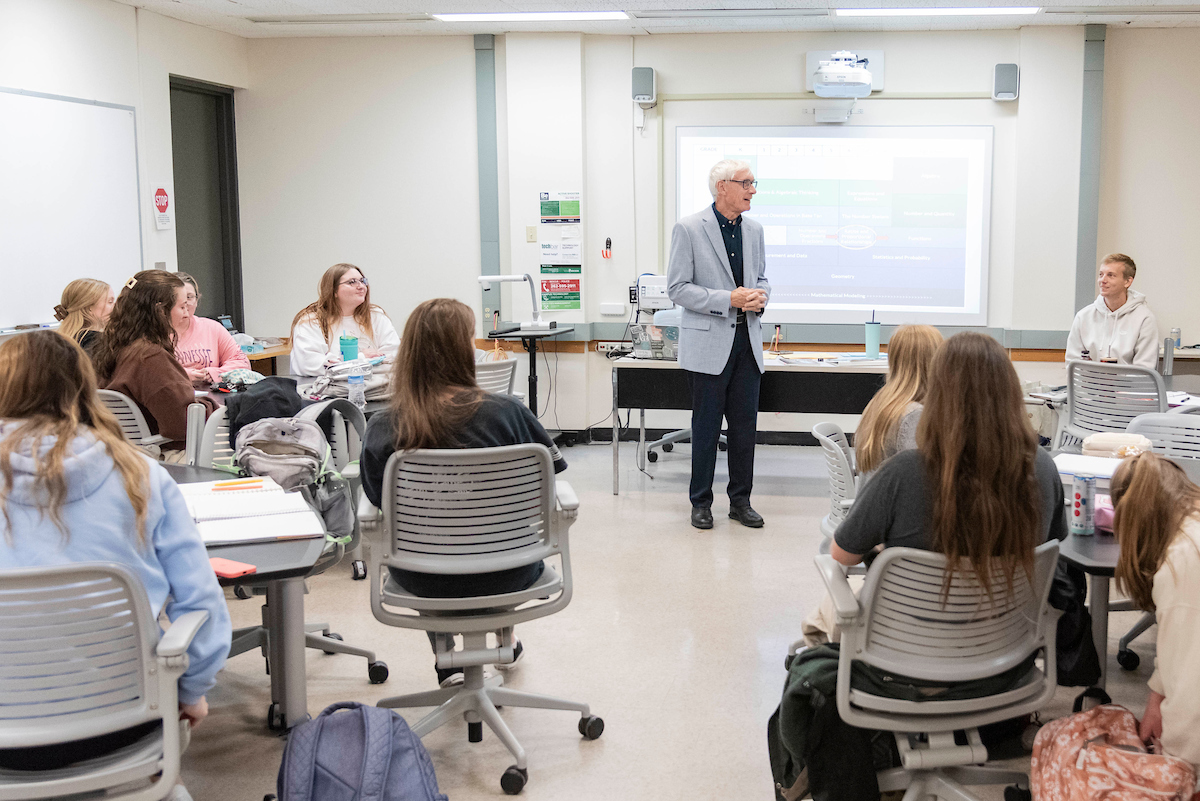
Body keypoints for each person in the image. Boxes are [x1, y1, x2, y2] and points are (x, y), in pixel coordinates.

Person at [0, 331, 231, 779]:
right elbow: (201, 605)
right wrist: (192, 690)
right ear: (82, 388)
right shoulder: (139, 474)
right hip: (128, 722)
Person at [360, 298, 565, 686]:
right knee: (487, 539)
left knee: (429, 542)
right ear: (463, 351)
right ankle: (505, 633)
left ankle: (446, 657)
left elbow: (375, 500)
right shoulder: (510, 413)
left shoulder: (384, 425)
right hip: (512, 570)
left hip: (423, 579)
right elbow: (549, 481)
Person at [833, 332, 1065, 570]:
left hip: (912, 606)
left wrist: (883, 549)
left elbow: (843, 554)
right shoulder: (1042, 466)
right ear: (1012, 391)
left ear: (936, 394)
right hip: (1017, 606)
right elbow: (1057, 546)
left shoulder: (903, 472)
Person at [667, 159, 770, 530]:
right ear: (722, 186)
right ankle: (701, 503)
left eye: (753, 183)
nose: (752, 190)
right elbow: (677, 288)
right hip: (709, 346)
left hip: (748, 343)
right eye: (746, 183)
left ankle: (740, 502)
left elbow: (762, 279)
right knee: (706, 429)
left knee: (745, 430)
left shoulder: (755, 230)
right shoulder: (690, 228)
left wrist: (760, 296)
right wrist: (727, 298)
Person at [1110, 452, 1200, 776]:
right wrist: (1155, 701)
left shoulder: (1182, 566)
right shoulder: (1191, 527)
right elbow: (1176, 644)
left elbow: (1192, 689)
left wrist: (1171, 758)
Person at [92, 270, 216, 456]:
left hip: (125, 454)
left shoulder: (112, 347)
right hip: (165, 456)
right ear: (160, 310)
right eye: (182, 307)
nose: (186, 314)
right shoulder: (150, 357)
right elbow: (184, 425)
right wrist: (210, 405)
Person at [853, 324, 943, 483]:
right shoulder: (913, 415)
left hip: (877, 501)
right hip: (895, 505)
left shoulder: (881, 402)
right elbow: (919, 482)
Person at [290, 263, 400, 376]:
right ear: (333, 290)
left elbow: (393, 356)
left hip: (373, 388)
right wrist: (361, 358)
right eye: (352, 282)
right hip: (326, 391)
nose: (361, 286)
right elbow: (310, 365)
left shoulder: (376, 316)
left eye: (363, 281)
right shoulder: (311, 321)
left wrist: (345, 363)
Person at [1066, 253, 1159, 369]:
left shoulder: (1144, 319)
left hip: (1128, 386)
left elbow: (1145, 368)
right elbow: (1073, 363)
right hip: (1089, 386)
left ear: (1128, 282)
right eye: (1101, 274)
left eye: (1111, 275)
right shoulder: (1083, 316)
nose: (1102, 280)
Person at [172, 272, 250, 385]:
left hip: (214, 395)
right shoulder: (155, 332)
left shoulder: (212, 328)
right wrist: (184, 375)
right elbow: (153, 372)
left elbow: (242, 362)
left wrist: (214, 373)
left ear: (197, 300)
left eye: (189, 297)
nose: (186, 303)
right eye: (179, 298)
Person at [54, 278, 114, 354]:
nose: (115, 306)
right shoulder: (97, 343)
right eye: (110, 302)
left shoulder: (59, 341)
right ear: (89, 307)